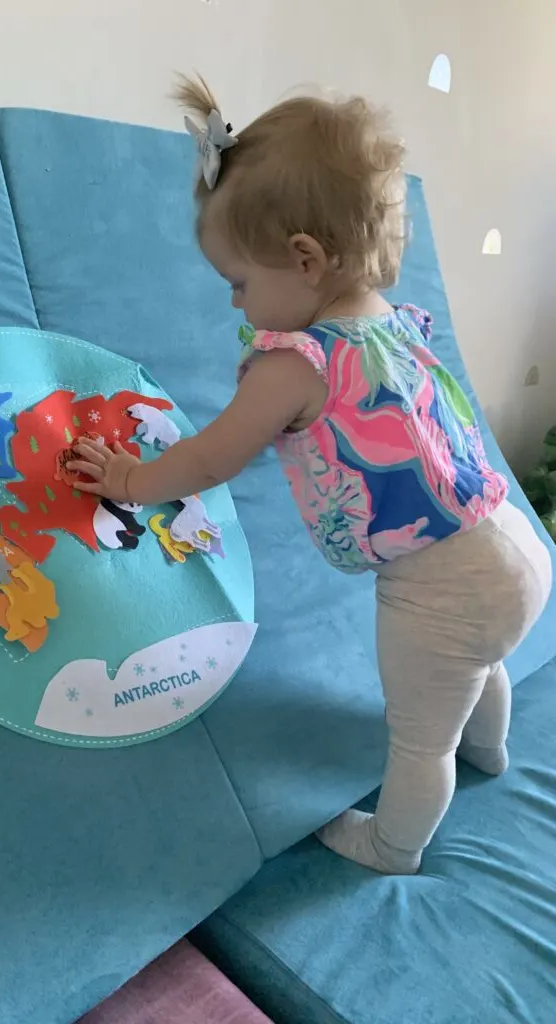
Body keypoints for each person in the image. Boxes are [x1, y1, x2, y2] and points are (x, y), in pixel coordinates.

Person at [66, 76, 552, 874]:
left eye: (241, 282)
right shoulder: (394, 327)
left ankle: (393, 845)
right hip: (513, 550)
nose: (236, 300)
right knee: (481, 663)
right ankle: (492, 751)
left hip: (440, 586)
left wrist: (127, 479)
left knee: (419, 733)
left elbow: (211, 457)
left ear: (304, 257)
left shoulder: (298, 362)